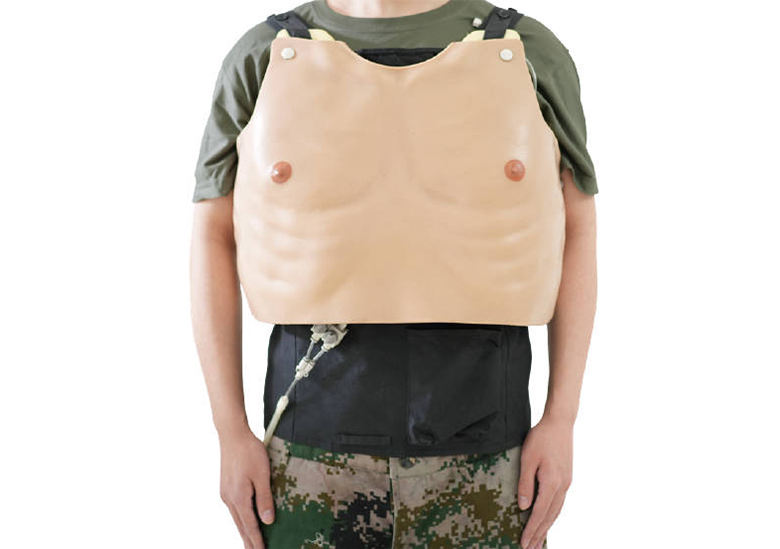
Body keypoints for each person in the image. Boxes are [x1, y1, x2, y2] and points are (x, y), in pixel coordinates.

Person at [190, 1, 597, 548]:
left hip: (494, 457)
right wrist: (229, 431)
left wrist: (562, 418)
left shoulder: (532, 54)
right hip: (304, 455)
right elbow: (212, 235)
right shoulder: (259, 58)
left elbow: (578, 229)